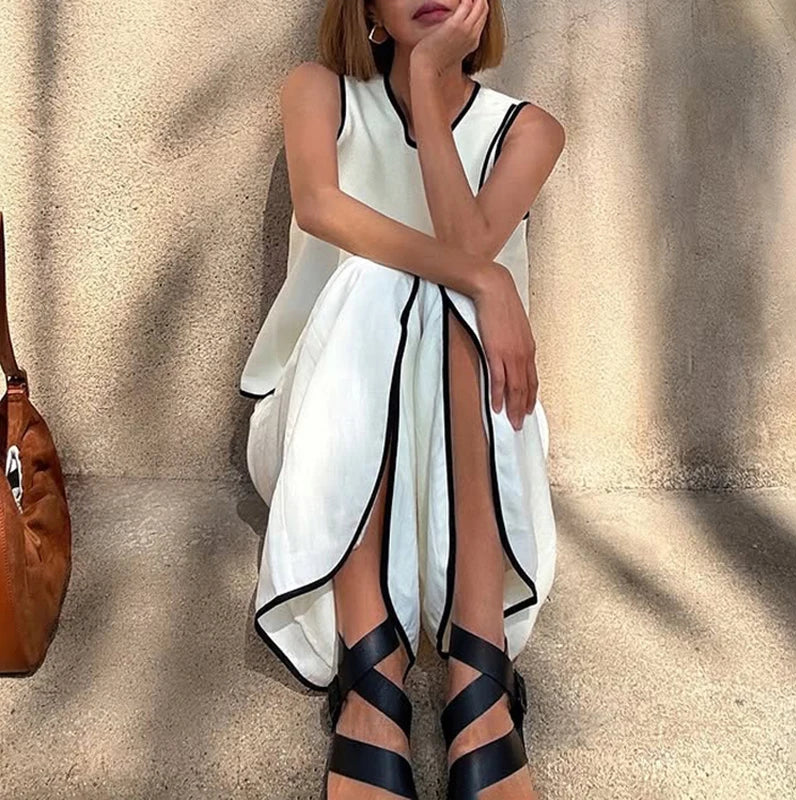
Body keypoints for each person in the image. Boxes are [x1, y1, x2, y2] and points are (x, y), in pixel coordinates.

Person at [240, 1, 565, 797]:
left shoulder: (527, 130)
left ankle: (476, 671)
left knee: (453, 288)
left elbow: (464, 253)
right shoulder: (320, 91)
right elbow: (321, 205)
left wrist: (427, 83)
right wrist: (487, 279)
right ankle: (371, 664)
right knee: (383, 273)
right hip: (324, 426)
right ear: (369, 12)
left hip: (475, 443)